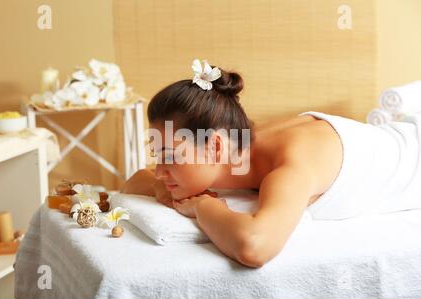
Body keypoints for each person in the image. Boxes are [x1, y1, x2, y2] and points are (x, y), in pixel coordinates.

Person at [122, 59, 421, 268]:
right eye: (157, 153)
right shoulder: (239, 137)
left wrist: (204, 207)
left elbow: (255, 246)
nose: (160, 170)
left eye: (170, 156)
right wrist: (169, 191)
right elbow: (136, 179)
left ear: (214, 146)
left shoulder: (290, 166)